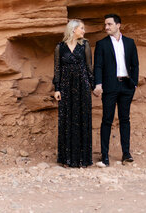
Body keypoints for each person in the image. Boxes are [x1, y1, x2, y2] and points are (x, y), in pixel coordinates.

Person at [93, 13, 139, 166]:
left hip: (126, 85)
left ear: (118, 25)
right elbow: (98, 66)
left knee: (125, 120)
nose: (106, 27)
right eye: (105, 24)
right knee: (107, 120)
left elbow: (135, 64)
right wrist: (98, 84)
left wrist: (134, 83)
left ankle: (126, 154)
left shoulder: (130, 43)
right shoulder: (102, 44)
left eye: (109, 24)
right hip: (110, 86)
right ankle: (104, 155)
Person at [53, 19, 93, 167]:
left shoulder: (85, 45)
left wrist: (93, 86)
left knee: (83, 119)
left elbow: (89, 66)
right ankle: (66, 159)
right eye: (81, 28)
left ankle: (83, 159)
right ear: (73, 29)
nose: (84, 31)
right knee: (66, 119)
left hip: (82, 86)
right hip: (65, 87)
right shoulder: (60, 47)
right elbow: (57, 68)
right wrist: (57, 88)